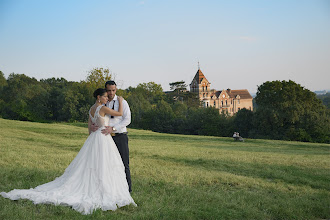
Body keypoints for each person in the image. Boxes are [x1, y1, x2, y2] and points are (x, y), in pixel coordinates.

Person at [0, 88, 137, 215]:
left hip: (94, 137)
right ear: (99, 97)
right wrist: (119, 101)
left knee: (91, 163)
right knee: (104, 163)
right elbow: (119, 114)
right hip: (103, 138)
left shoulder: (91, 109)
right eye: (105, 96)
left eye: (108, 96)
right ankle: (101, 188)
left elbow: (90, 127)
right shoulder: (102, 108)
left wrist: (94, 130)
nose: (107, 98)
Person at [90, 80, 132, 192]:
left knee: (123, 163)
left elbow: (127, 119)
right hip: (105, 138)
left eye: (113, 90)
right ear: (105, 90)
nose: (111, 93)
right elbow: (98, 118)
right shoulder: (103, 103)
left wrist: (113, 128)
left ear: (116, 89)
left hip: (119, 135)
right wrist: (93, 127)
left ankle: (127, 189)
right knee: (107, 164)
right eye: (108, 90)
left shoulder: (122, 102)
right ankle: (111, 188)